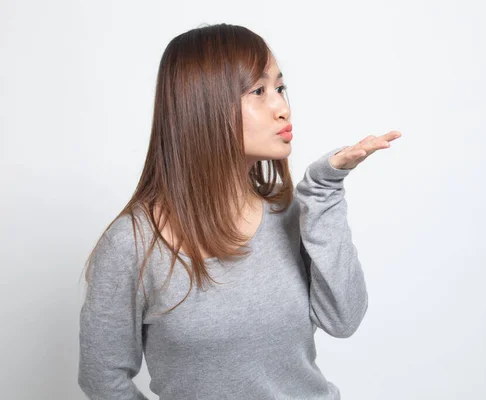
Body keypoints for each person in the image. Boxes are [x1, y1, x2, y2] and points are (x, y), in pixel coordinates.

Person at [77, 22, 401, 400]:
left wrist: (326, 189)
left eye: (281, 88)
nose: (282, 107)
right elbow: (103, 378)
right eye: (259, 91)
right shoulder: (132, 244)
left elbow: (344, 319)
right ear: (203, 106)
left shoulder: (292, 216)